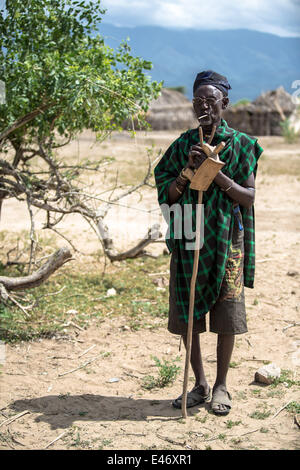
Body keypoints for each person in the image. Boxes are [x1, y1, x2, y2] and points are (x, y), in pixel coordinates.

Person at [154, 71, 263, 416]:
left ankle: (221, 386)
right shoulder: (182, 145)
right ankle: (199, 383)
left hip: (226, 235)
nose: (203, 106)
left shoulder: (242, 145)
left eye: (210, 100)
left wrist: (216, 173)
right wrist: (187, 172)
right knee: (189, 312)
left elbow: (247, 198)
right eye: (198, 100)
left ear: (224, 104)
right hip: (188, 233)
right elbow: (167, 195)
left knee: (226, 312)